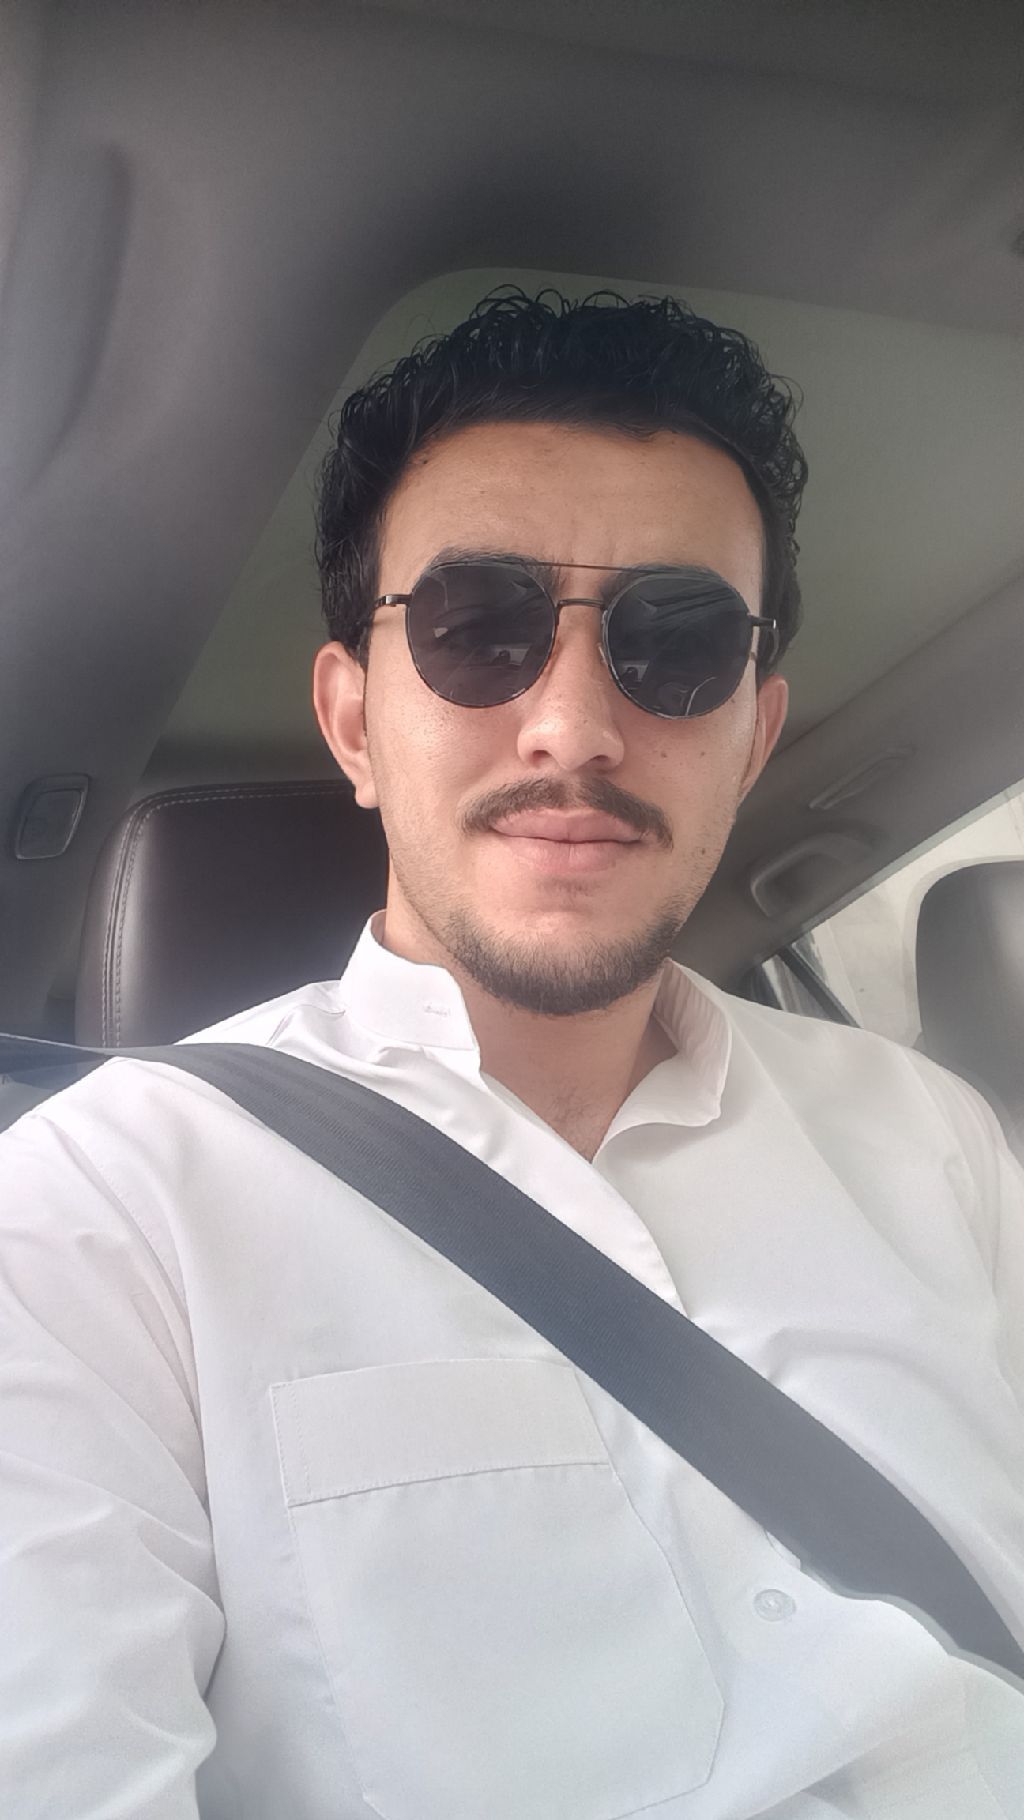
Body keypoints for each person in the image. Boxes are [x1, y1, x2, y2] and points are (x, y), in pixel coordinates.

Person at [1, 287, 1022, 1819]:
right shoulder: (93, 1214)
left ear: (753, 738)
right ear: (355, 722)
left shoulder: (934, 1139)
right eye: (480, 628)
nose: (574, 726)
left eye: (678, 643)